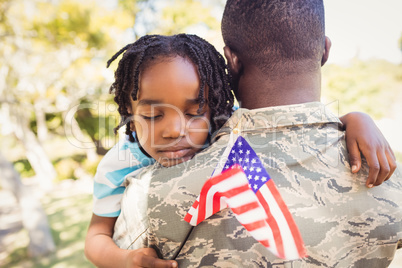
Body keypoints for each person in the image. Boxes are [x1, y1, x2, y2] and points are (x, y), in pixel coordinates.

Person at [114, 0, 402, 267]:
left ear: (231, 61)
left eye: (193, 112)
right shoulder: (384, 172)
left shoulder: (148, 195)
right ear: (325, 51)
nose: (175, 130)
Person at [85, 33, 234, 268]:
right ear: (130, 116)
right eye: (152, 116)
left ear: (214, 108)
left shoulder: (227, 130)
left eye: (195, 112)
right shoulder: (117, 165)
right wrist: (126, 260)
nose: (175, 131)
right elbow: (95, 239)